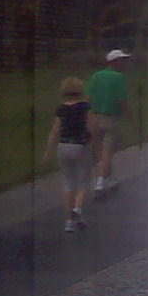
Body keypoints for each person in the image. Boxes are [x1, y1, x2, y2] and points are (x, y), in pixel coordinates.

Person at [42, 77, 93, 231]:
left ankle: (70, 222)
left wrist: (47, 152)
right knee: (84, 182)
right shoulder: (85, 107)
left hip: (63, 146)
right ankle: (77, 208)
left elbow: (54, 131)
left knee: (68, 184)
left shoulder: (61, 109)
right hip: (80, 146)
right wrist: (95, 146)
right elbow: (91, 128)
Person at [86, 49, 130, 199]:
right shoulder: (118, 77)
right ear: (114, 61)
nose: (124, 63)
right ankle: (99, 183)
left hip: (95, 117)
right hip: (111, 118)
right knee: (107, 153)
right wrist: (130, 117)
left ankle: (109, 179)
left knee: (100, 151)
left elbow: (88, 97)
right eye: (122, 60)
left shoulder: (96, 76)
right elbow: (121, 100)